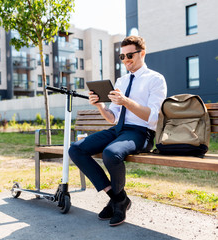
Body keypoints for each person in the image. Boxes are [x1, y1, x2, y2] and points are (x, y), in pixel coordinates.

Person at [68, 35, 167, 227]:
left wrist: (126, 101)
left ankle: (117, 203)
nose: (126, 60)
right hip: (118, 130)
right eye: (122, 57)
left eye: (130, 55)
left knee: (111, 153)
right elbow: (112, 118)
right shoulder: (121, 81)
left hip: (141, 132)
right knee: (76, 149)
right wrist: (99, 106)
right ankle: (118, 198)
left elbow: (153, 116)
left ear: (142, 53)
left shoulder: (155, 79)